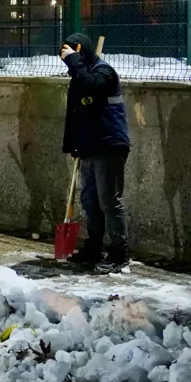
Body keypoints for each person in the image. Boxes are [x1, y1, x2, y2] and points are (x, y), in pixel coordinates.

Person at [60, 32, 131, 272]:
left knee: (109, 200)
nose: (67, 59)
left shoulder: (104, 72)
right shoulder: (79, 77)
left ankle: (119, 253)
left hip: (109, 145)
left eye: (70, 53)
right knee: (90, 201)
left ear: (80, 49)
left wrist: (73, 60)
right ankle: (94, 247)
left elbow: (90, 84)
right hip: (89, 148)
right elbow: (74, 114)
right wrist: (73, 146)